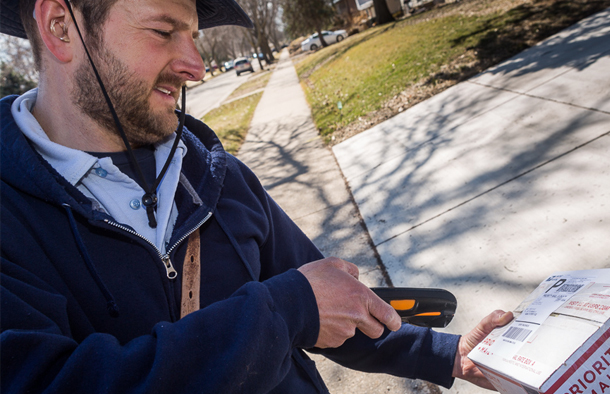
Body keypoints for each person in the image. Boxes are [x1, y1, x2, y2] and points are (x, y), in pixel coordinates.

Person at [0, 0, 514, 392]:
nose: (196, 67)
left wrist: (445, 356)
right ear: (61, 27)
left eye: (195, 37)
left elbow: (330, 302)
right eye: (163, 31)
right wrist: (283, 311)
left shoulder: (218, 176)